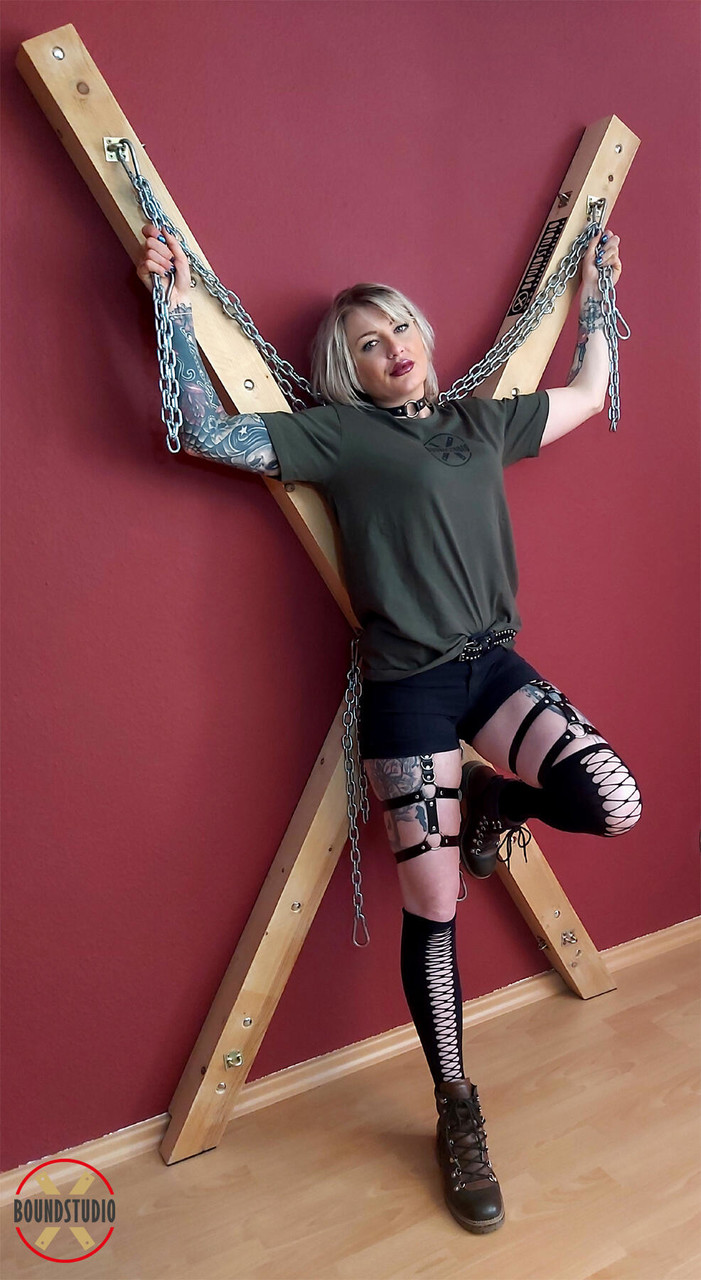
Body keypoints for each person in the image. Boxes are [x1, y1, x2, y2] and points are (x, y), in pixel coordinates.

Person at [136, 226, 642, 1234]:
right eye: (366, 343)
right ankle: (456, 1106)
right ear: (348, 370)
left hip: (493, 667)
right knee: (435, 902)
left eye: (398, 327)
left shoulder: (480, 421)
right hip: (407, 686)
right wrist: (173, 304)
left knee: (614, 802)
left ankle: (493, 800)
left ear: (422, 335)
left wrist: (597, 293)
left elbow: (590, 390)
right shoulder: (338, 436)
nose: (391, 346)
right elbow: (202, 429)